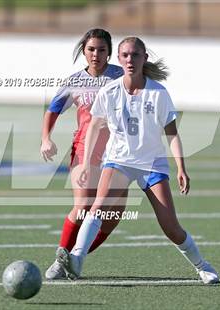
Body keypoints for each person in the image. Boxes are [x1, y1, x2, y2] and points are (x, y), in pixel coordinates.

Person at [56, 36, 219, 284]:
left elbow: (172, 134)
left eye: (135, 55)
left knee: (170, 227)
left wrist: (181, 169)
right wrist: (87, 162)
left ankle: (202, 266)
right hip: (118, 161)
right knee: (97, 208)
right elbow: (94, 127)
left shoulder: (158, 93)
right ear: (118, 59)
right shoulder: (109, 91)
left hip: (152, 165)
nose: (130, 60)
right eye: (125, 55)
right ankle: (76, 258)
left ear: (144, 58)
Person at [40, 29, 125, 280]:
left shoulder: (121, 77)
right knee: (83, 206)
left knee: (111, 219)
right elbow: (53, 110)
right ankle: (60, 259)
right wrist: (46, 138)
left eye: (101, 49)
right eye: (91, 49)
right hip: (84, 151)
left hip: (119, 154)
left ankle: (75, 259)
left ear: (109, 52)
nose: (95, 54)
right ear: (83, 51)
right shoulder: (75, 81)